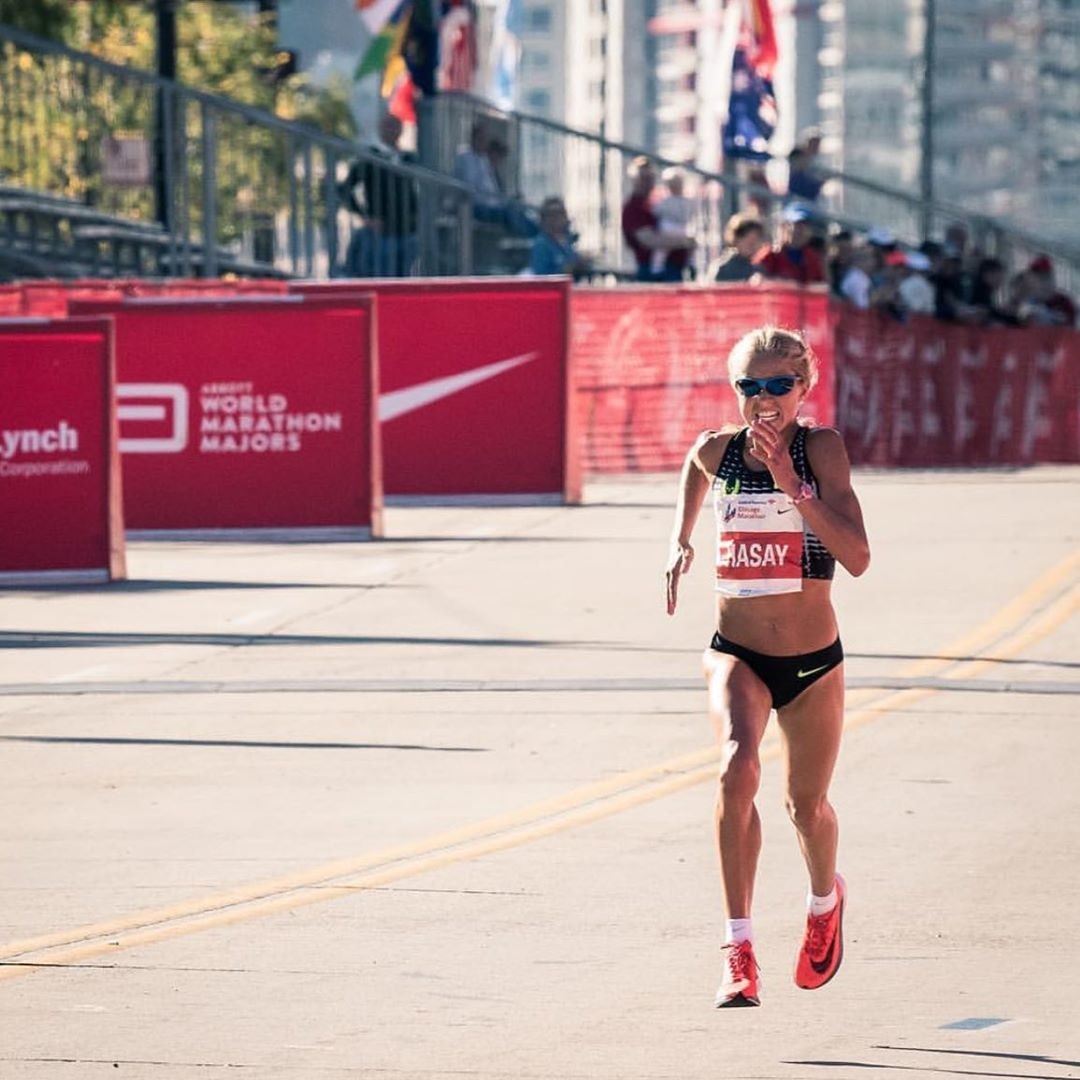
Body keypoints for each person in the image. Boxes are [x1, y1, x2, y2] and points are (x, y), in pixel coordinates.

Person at [664, 326, 870, 1008]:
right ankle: (739, 947)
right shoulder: (717, 450)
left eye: (779, 384)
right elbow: (693, 468)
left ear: (803, 388)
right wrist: (680, 540)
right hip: (738, 652)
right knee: (736, 768)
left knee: (806, 808)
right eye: (749, 386)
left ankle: (824, 902)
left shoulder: (821, 449)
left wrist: (791, 485)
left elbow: (858, 557)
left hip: (812, 664)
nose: (764, 398)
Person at [340, 114, 419, 277]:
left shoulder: (409, 158)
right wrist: (365, 217)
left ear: (401, 130)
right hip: (382, 233)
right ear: (380, 129)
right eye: (387, 126)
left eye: (395, 127)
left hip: (408, 231)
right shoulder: (371, 158)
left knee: (404, 279)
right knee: (382, 277)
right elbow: (344, 189)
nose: (391, 131)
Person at [621, 156, 695, 282]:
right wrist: (685, 241)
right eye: (643, 178)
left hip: (675, 269)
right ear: (634, 180)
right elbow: (649, 240)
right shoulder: (633, 208)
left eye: (650, 178)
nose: (648, 183)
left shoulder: (657, 202)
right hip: (653, 272)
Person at [754, 205, 826, 285]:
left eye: (805, 226)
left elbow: (820, 285)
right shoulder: (770, 254)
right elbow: (756, 282)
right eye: (797, 225)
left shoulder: (812, 258)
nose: (801, 231)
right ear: (784, 227)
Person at [529, 196, 590, 279]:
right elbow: (540, 276)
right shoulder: (541, 245)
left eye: (561, 213)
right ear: (544, 218)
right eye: (552, 215)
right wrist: (570, 268)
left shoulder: (566, 241)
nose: (558, 218)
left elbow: (575, 260)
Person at [650, 169, 695, 278]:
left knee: (690, 244)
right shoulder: (666, 201)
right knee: (662, 247)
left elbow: (656, 212)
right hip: (672, 227)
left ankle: (691, 264)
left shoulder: (685, 201)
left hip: (679, 227)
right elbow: (656, 212)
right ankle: (657, 268)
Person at [711, 213, 767, 283]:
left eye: (756, 240)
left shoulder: (757, 269)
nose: (753, 246)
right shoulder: (722, 268)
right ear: (736, 239)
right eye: (749, 242)